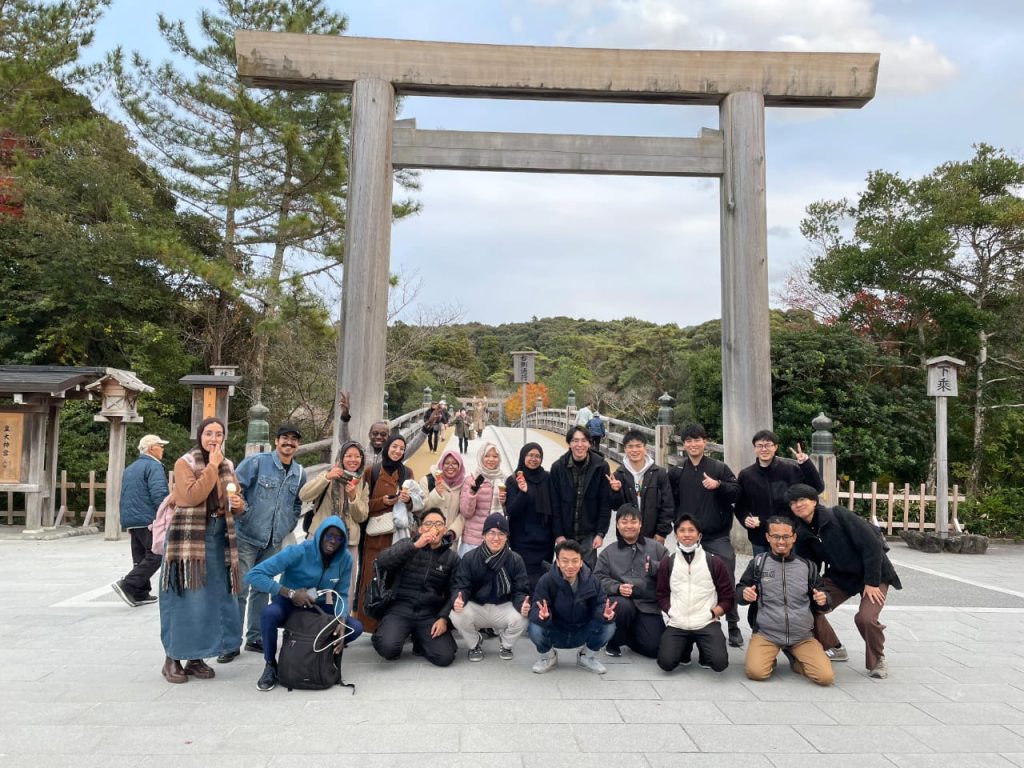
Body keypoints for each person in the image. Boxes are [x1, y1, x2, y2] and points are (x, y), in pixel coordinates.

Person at [158, 417, 244, 684]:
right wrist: (213, 466)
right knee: (184, 597)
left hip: (219, 535)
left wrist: (237, 503)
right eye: (209, 433)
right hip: (188, 539)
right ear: (200, 436)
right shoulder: (185, 462)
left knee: (211, 599)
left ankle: (196, 658)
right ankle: (172, 658)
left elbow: (237, 504)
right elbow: (191, 496)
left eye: (219, 434)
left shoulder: (228, 465)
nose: (214, 439)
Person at [788, 484, 902, 679]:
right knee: (806, 606)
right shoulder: (801, 532)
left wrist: (871, 582)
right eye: (792, 503)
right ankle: (834, 647)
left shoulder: (838, 515)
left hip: (874, 574)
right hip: (841, 576)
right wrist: (810, 589)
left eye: (801, 500)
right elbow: (810, 565)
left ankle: (878, 659)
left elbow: (872, 546)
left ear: (814, 501)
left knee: (865, 618)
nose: (797, 505)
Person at [244, 515, 364, 692]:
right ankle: (270, 665)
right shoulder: (298, 551)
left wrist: (341, 618)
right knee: (269, 614)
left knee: (355, 627)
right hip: (288, 603)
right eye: (329, 535)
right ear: (320, 534)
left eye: (339, 538)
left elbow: (342, 594)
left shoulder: (345, 558)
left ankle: (315, 650)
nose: (333, 541)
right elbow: (254, 575)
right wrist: (290, 593)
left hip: (315, 607)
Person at [220, 423, 306, 663]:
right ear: (276, 441)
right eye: (285, 438)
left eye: (294, 439)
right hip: (247, 535)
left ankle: (255, 637)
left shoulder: (299, 472)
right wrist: (244, 512)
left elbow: (298, 503)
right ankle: (230, 642)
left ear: (298, 444)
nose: (289, 443)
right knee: (239, 588)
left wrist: (288, 524)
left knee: (262, 588)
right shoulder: (257, 463)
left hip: (274, 540)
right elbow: (235, 489)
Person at [736, 516, 834, 686]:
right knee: (756, 673)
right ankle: (768, 658)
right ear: (767, 537)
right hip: (767, 634)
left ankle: (795, 660)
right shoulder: (758, 563)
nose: (781, 541)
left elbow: (825, 597)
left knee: (825, 677)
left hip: (802, 635)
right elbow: (740, 590)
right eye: (775, 536)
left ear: (794, 537)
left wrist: (823, 599)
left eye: (786, 536)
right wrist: (744, 594)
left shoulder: (807, 566)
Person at [671, 423, 744, 648]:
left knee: (727, 577)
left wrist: (719, 485)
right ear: (684, 444)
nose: (693, 444)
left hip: (716, 535)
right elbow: (671, 502)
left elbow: (737, 492)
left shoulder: (719, 468)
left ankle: (733, 624)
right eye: (689, 441)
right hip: (688, 538)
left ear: (705, 442)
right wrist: (676, 526)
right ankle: (687, 625)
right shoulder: (677, 471)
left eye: (697, 440)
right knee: (686, 581)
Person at [371, 509, 460, 667]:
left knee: (444, 657)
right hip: (399, 608)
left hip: (429, 613)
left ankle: (420, 639)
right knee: (388, 649)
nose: (434, 528)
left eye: (438, 524)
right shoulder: (408, 544)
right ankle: (388, 631)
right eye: (428, 524)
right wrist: (415, 546)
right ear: (420, 528)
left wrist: (443, 618)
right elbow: (382, 561)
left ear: (445, 529)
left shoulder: (452, 558)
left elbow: (455, 590)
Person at [655, 514, 735, 673]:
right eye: (682, 530)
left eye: (691, 530)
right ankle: (684, 649)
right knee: (666, 663)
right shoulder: (668, 562)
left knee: (719, 663)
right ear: (676, 534)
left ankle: (705, 652)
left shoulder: (714, 562)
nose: (686, 534)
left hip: (705, 622)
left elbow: (728, 597)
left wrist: (713, 613)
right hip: (678, 622)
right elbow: (661, 594)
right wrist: (672, 611)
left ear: (699, 535)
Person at [354, 434, 416, 632]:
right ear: (387, 447)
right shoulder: (372, 472)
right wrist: (383, 502)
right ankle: (367, 623)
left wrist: (408, 500)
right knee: (371, 578)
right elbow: (363, 505)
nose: (397, 451)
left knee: (395, 580)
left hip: (398, 535)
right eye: (394, 447)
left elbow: (417, 503)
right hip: (375, 535)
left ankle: (391, 626)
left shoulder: (407, 473)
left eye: (401, 448)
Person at [448, 513, 530, 662]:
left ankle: (506, 643)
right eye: (491, 533)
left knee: (523, 616)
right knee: (456, 614)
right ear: (484, 535)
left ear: (507, 537)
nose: (496, 538)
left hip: (503, 606)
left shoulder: (515, 559)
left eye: (501, 533)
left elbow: (520, 590)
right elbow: (461, 585)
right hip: (478, 607)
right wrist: (458, 599)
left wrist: (522, 604)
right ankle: (475, 643)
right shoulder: (470, 558)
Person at [528, 539, 618, 674]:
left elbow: (600, 604)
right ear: (558, 562)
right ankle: (548, 657)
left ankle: (586, 657)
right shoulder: (546, 580)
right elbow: (536, 608)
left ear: (581, 562)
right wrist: (543, 616)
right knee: (534, 627)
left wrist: (604, 614)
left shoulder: (592, 580)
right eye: (565, 561)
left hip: (582, 630)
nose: (570, 566)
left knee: (609, 625)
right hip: (556, 631)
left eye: (575, 561)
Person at [299, 440, 369, 606]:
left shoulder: (362, 483)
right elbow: (304, 495)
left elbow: (362, 516)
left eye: (357, 456)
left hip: (348, 542)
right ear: (341, 457)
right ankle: (309, 618)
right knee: (313, 582)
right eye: (348, 456)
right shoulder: (328, 474)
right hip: (320, 538)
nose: (353, 460)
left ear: (362, 459)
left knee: (345, 586)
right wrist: (327, 478)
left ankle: (340, 619)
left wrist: (353, 497)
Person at [594, 505, 667, 658]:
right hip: (622, 604)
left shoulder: (657, 548)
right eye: (624, 522)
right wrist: (617, 587)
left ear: (640, 524)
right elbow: (598, 578)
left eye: (633, 522)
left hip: (648, 605)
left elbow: (672, 570)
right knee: (623, 606)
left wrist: (655, 567)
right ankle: (613, 641)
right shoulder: (608, 552)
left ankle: (629, 637)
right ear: (617, 525)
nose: (629, 526)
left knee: (655, 649)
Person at [735, 430, 823, 556]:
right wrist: (745, 518)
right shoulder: (746, 475)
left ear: (775, 447)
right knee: (763, 568)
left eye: (768, 445)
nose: (764, 449)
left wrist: (806, 464)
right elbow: (740, 505)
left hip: (790, 534)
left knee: (793, 568)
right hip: (760, 536)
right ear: (755, 448)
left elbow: (817, 488)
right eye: (760, 445)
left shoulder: (791, 470)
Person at [112, 433, 169, 607]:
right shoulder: (154, 466)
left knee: (140, 556)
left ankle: (140, 593)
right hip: (147, 518)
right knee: (157, 554)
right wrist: (164, 513)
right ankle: (128, 585)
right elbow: (159, 492)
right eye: (160, 446)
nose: (162, 449)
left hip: (132, 518)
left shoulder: (131, 467)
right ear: (152, 448)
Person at [549, 425, 611, 569]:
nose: (579, 445)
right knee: (565, 571)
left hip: (589, 534)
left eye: (584, 441)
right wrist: (558, 534)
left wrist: (600, 533)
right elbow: (554, 503)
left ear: (589, 443)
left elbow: (604, 503)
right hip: (565, 533)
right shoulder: (558, 467)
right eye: (575, 441)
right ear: (569, 443)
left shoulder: (601, 467)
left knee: (588, 573)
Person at [608, 429, 674, 544]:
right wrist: (616, 491)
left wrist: (661, 533)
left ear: (645, 448)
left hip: (654, 535)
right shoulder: (618, 475)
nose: (634, 450)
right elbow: (615, 506)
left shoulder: (659, 473)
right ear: (625, 449)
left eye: (638, 446)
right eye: (630, 446)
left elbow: (667, 505)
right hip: (627, 536)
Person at [505, 442, 555, 590]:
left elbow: (555, 506)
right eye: (530, 455)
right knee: (523, 580)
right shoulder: (513, 480)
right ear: (523, 456)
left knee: (543, 580)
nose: (534, 459)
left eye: (537, 456)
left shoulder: (548, 478)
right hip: (521, 540)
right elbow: (511, 510)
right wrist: (523, 493)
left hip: (545, 541)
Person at [459, 442, 506, 555]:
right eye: (487, 456)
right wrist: (472, 493)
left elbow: (507, 513)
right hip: (473, 540)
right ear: (481, 458)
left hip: (495, 540)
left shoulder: (504, 480)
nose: (491, 459)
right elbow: (466, 513)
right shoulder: (471, 479)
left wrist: (504, 503)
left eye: (495, 456)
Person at [421, 449, 467, 545]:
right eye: (447, 463)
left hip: (449, 542)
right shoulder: (428, 481)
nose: (450, 466)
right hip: (427, 539)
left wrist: (453, 532)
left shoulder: (463, 486)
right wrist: (436, 493)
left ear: (460, 466)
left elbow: (463, 514)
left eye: (454, 463)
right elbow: (421, 511)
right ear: (441, 464)